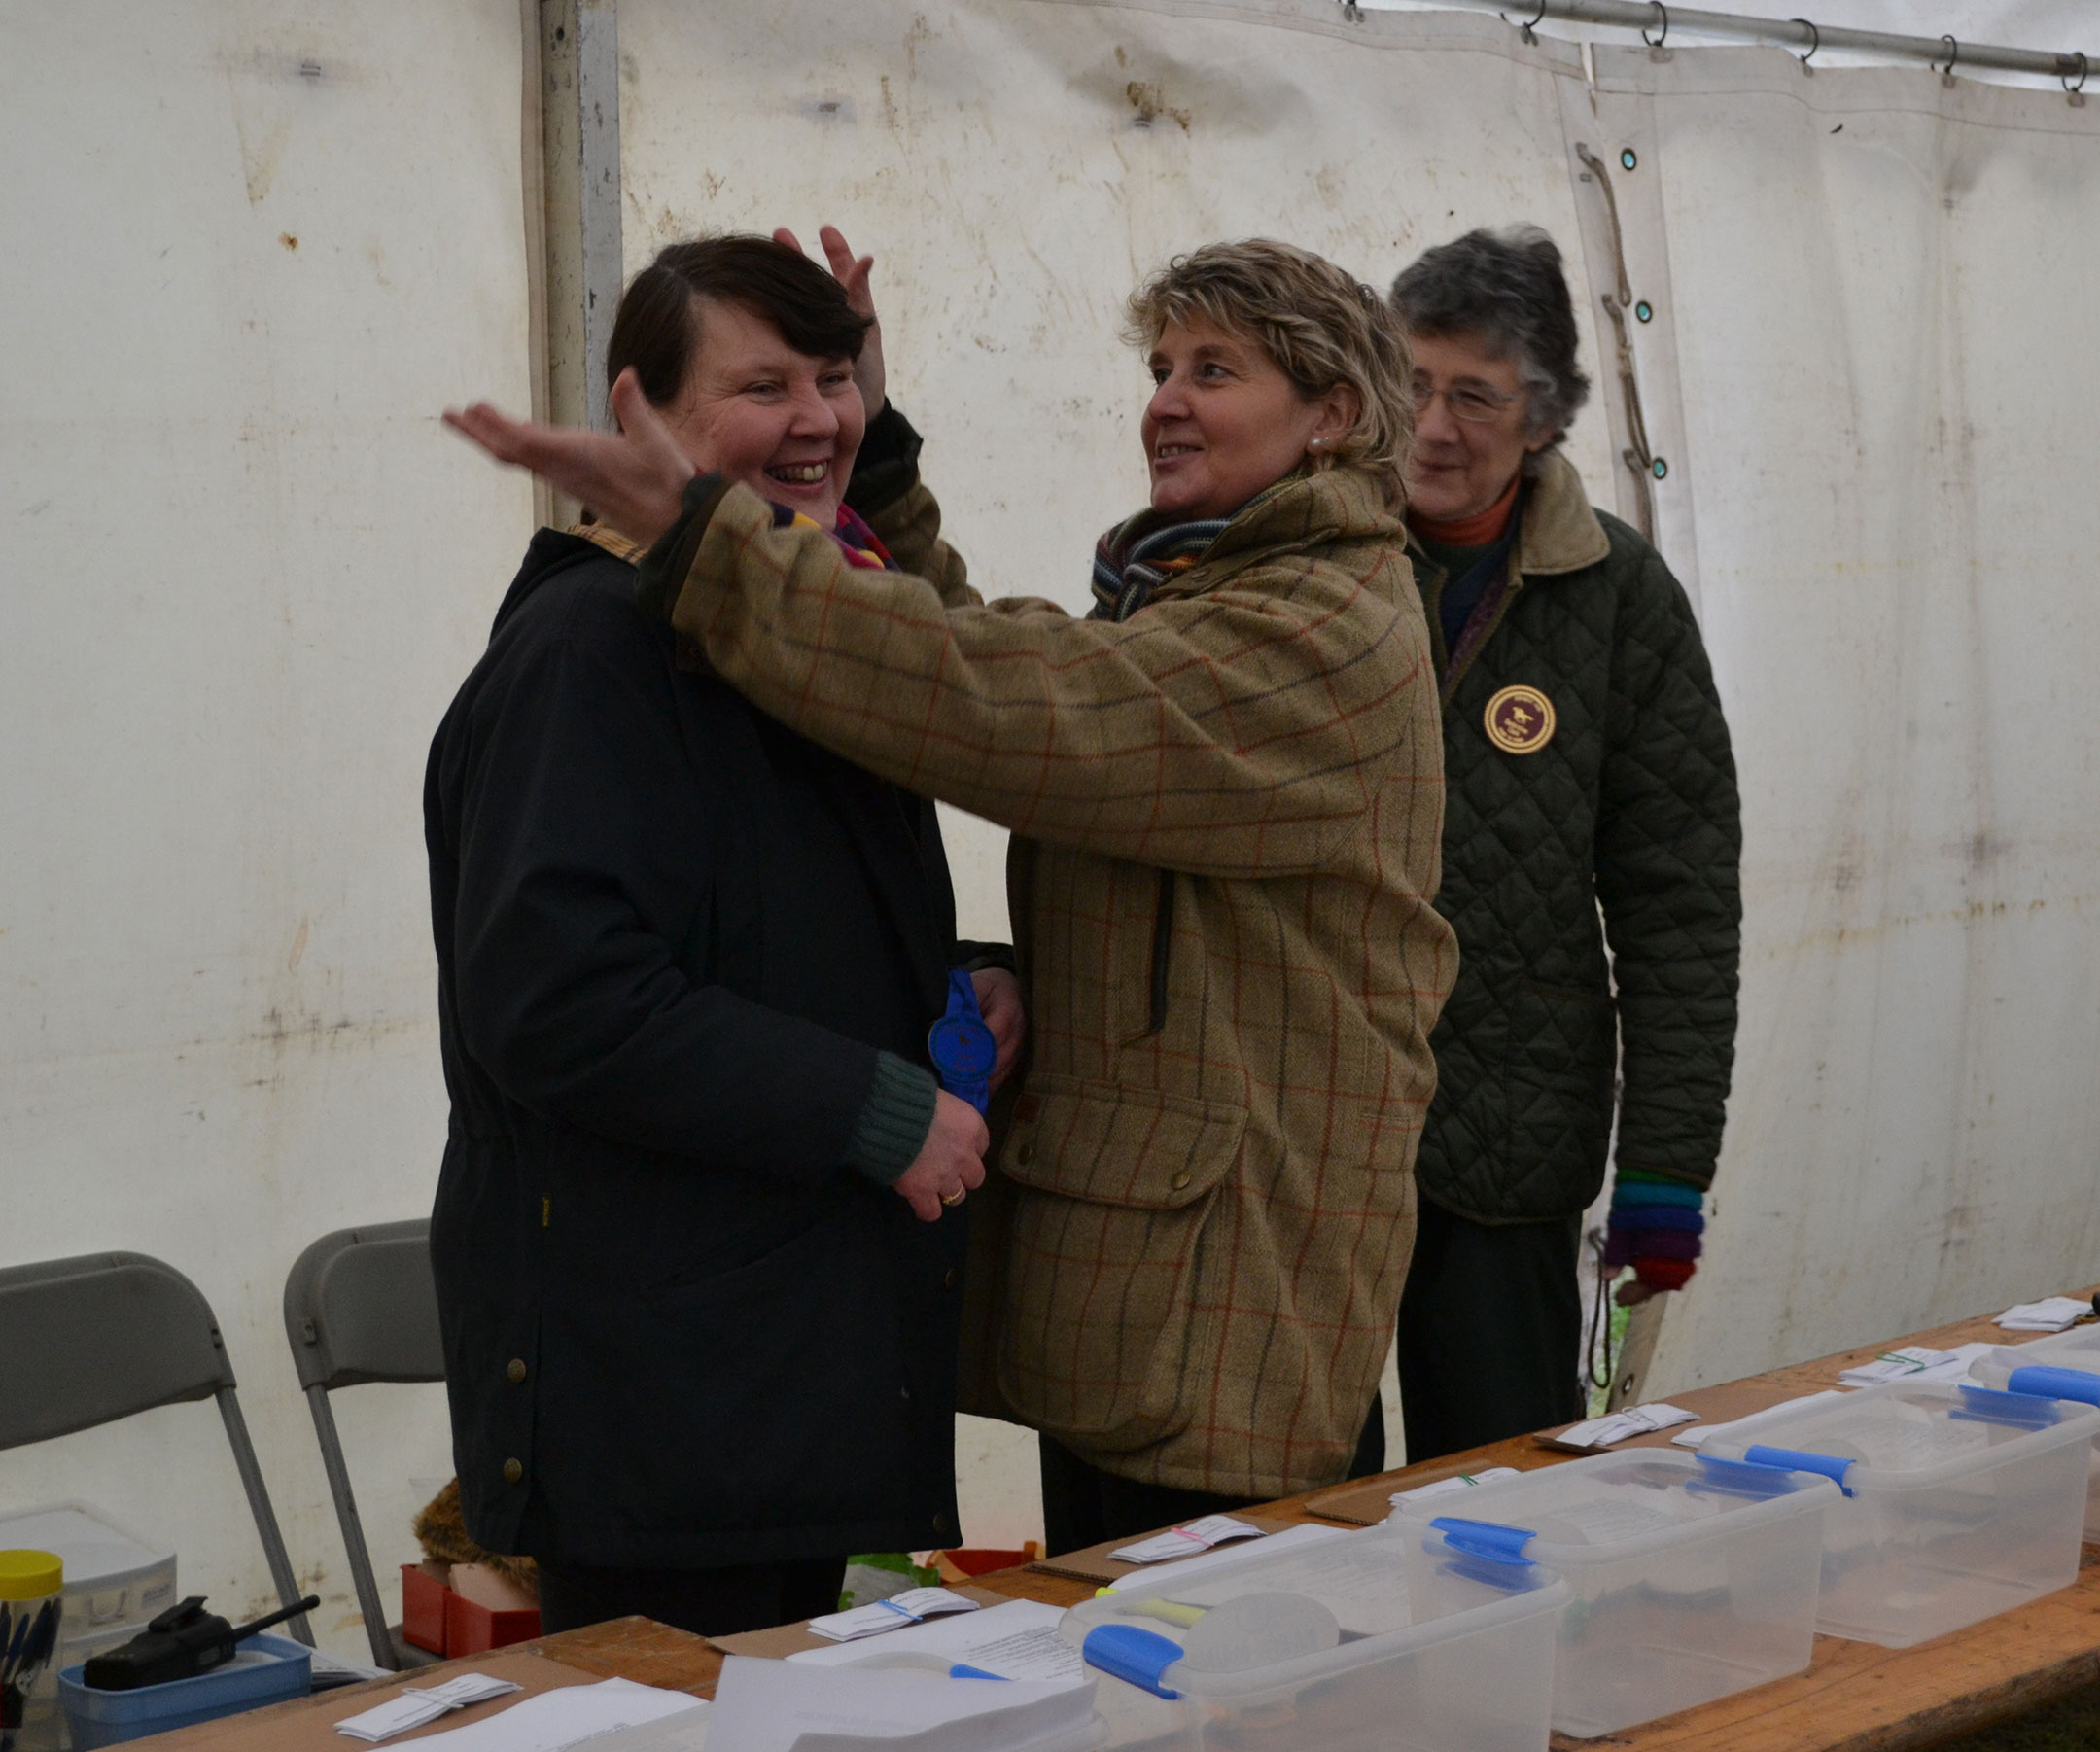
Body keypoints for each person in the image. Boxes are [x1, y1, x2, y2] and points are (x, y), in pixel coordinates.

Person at [446, 235, 1455, 1555]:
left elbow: (1012, 704)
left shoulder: (1310, 628)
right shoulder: (593, 649)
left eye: (1213, 370)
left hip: (1217, 1317)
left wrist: (716, 538)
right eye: (1159, 367)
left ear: (1332, 414)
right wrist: (995, 974)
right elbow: (981, 675)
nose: (1163, 399)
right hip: (1106, 1310)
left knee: (1198, 1655)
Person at [424, 234, 1023, 1637]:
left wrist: (964, 982)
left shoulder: (796, 624)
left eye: (833, 378)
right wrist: (876, 1107)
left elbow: (756, 929)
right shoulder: (591, 650)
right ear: (641, 413)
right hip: (659, 1394)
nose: (816, 420)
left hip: (784, 1370)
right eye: (763, 387)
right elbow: (560, 997)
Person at [1386, 226, 1739, 1461]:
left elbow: (1677, 902)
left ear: (1540, 419)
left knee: (1496, 1485)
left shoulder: (1619, 599)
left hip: (1508, 1136)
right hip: (1307, 1138)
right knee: (1301, 1511)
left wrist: (1663, 1173)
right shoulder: (1307, 558)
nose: (1431, 426)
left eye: (1473, 397)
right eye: (1408, 383)